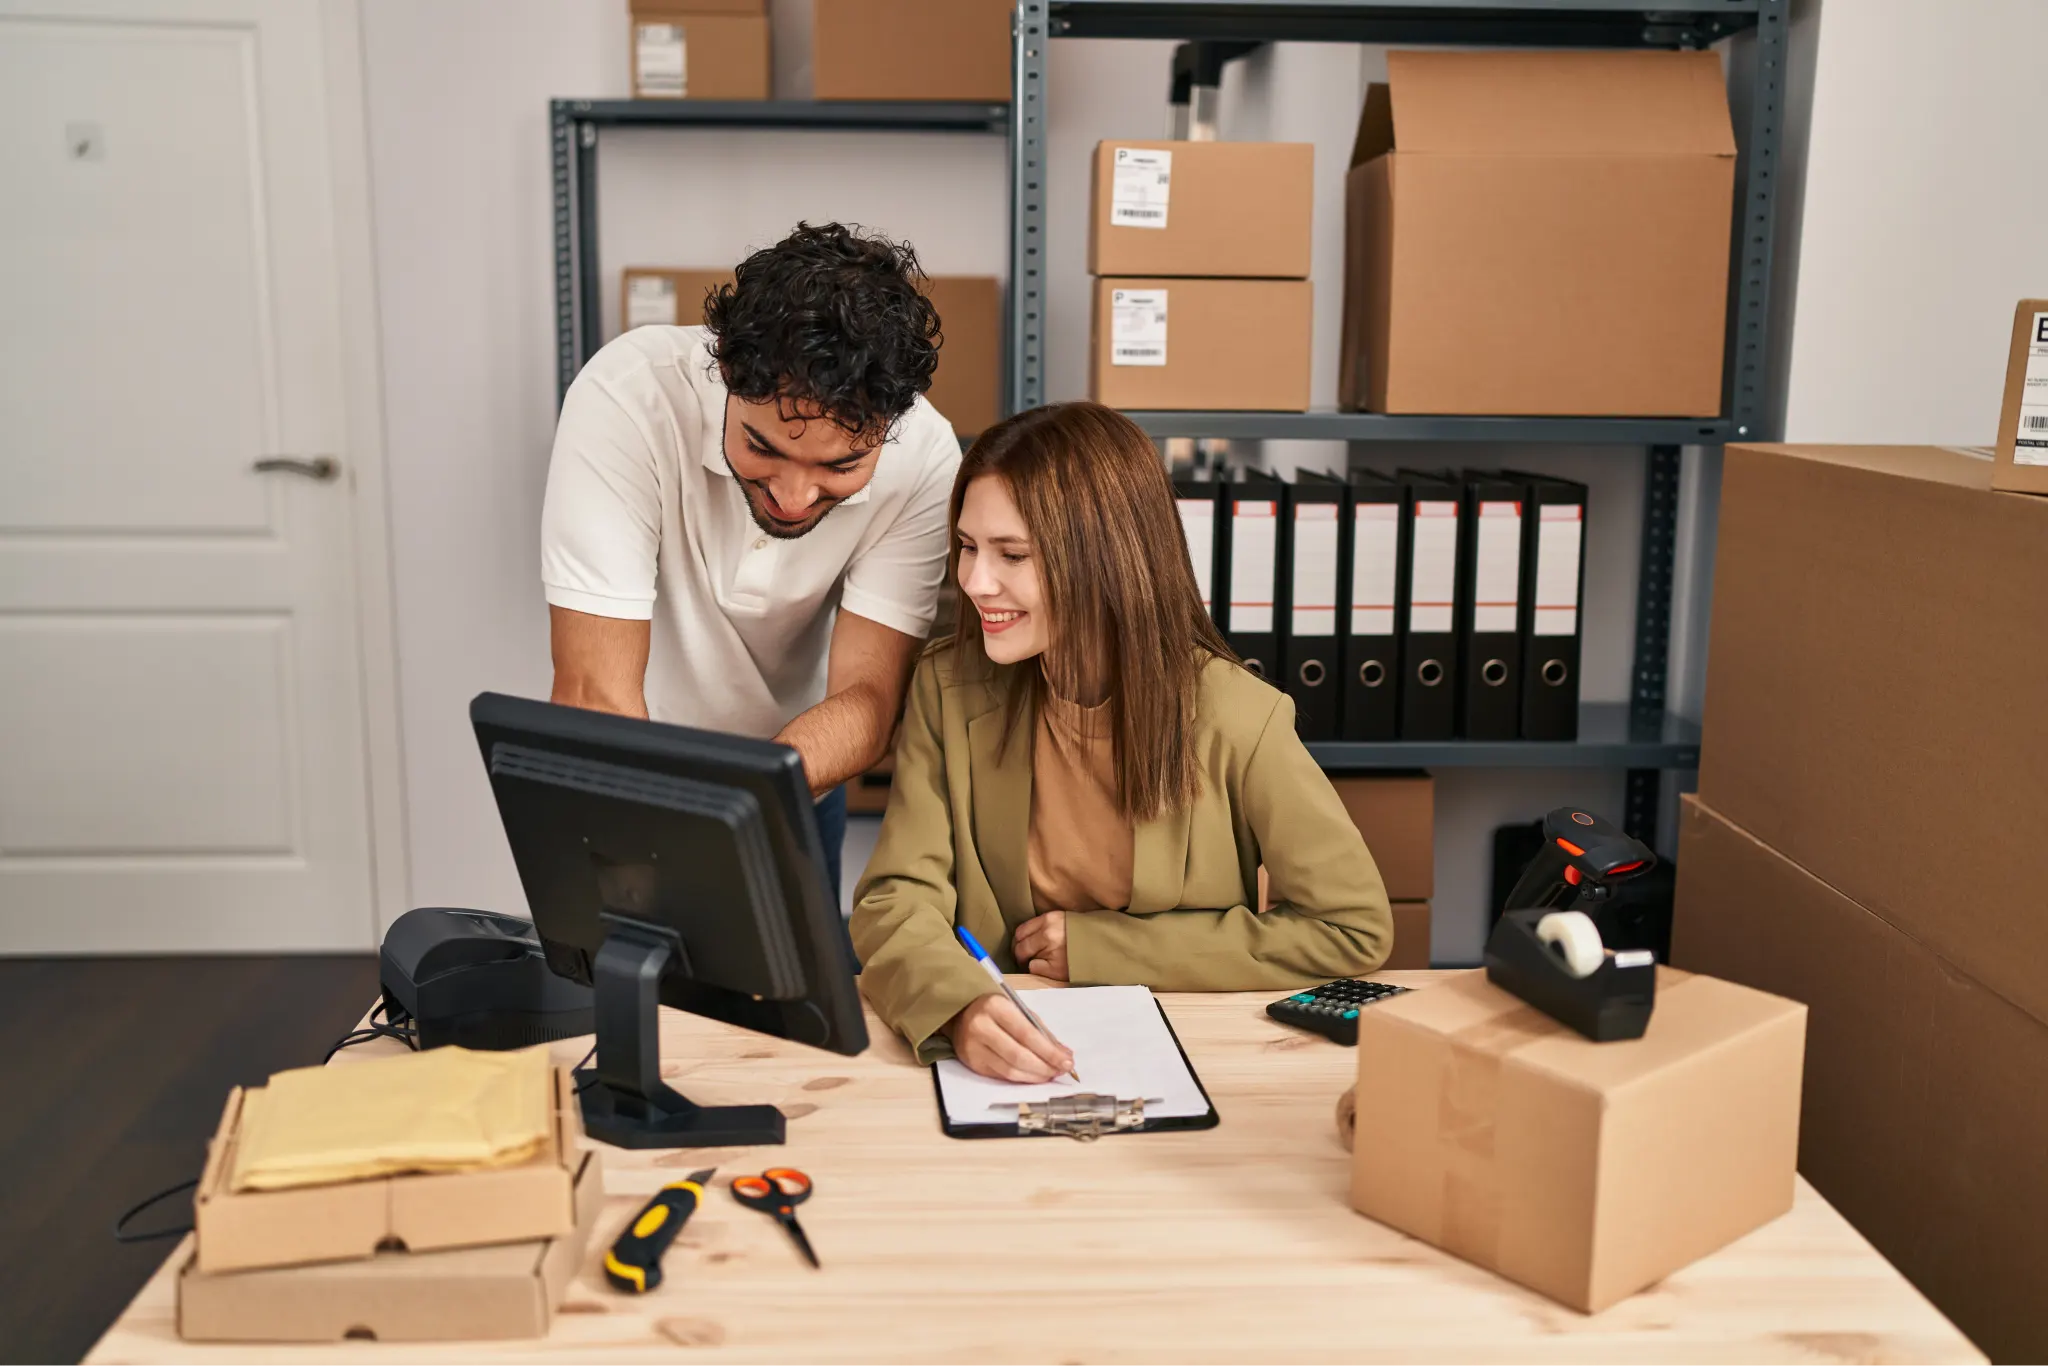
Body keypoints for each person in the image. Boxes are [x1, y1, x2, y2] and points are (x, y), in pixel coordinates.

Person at [849, 402, 1393, 1082]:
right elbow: (895, 898)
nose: (974, 581)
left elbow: (1352, 927)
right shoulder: (947, 688)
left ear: (1104, 558)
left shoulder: (1238, 718)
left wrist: (1106, 948)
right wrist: (955, 1007)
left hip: (1196, 1054)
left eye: (1011, 554)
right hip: (1001, 1061)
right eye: (967, 546)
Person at [540, 223, 962, 903]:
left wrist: (744, 807)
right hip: (626, 769)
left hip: (796, 772)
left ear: (891, 425)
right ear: (727, 372)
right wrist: (661, 849)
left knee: (785, 1004)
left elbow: (869, 698)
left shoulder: (926, 458)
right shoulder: (625, 398)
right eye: (763, 448)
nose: (795, 497)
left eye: (841, 465)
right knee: (628, 1000)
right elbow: (595, 691)